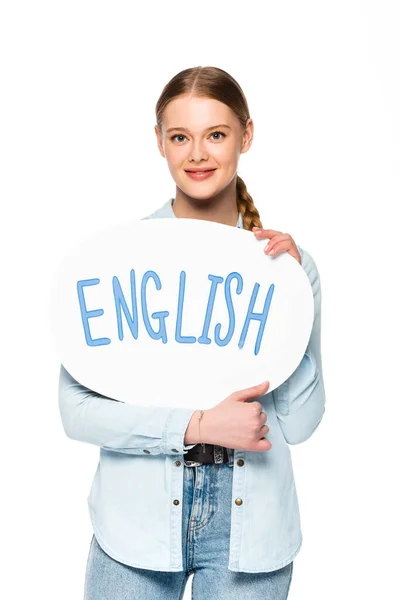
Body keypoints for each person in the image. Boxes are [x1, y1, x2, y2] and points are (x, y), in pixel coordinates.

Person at [59, 66, 326, 600]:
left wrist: (290, 299)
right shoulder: (119, 259)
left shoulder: (289, 267)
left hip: (250, 532)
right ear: (159, 142)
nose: (197, 154)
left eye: (216, 135)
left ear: (246, 136)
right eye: (180, 136)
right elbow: (76, 412)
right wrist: (198, 424)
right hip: (134, 524)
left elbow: (301, 424)